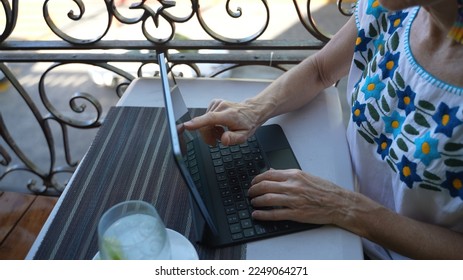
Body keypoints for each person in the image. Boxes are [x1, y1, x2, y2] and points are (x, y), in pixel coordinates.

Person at [183, 0, 463, 259]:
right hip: (348, 224)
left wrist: (345, 207)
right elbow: (321, 70)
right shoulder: (390, 8)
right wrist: (255, 109)